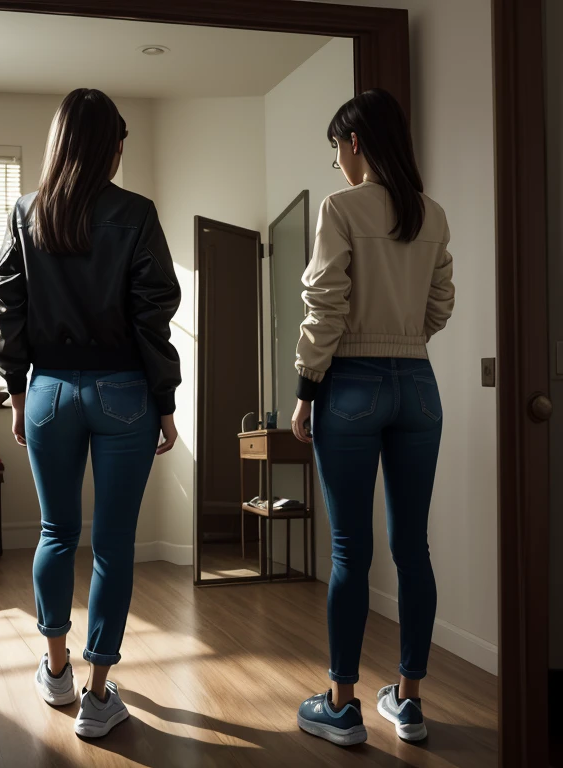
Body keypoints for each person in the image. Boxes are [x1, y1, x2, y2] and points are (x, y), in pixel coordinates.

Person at [0, 88, 181, 738]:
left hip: (48, 392)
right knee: (114, 544)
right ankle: (100, 697)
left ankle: (56, 669)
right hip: (123, 390)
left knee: (55, 533)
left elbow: (7, 306)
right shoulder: (136, 213)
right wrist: (164, 401)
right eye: (119, 142)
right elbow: (153, 315)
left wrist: (18, 392)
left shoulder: (27, 212)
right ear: (109, 147)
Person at [290, 89, 455, 747]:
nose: (339, 164)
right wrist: (405, 341)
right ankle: (409, 703)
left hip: (350, 384)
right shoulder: (431, 214)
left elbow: (324, 305)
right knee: (413, 547)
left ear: (354, 142)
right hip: (418, 384)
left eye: (339, 149)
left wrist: (307, 389)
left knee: (349, 550)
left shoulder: (342, 207)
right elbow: (440, 306)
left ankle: (342, 705)